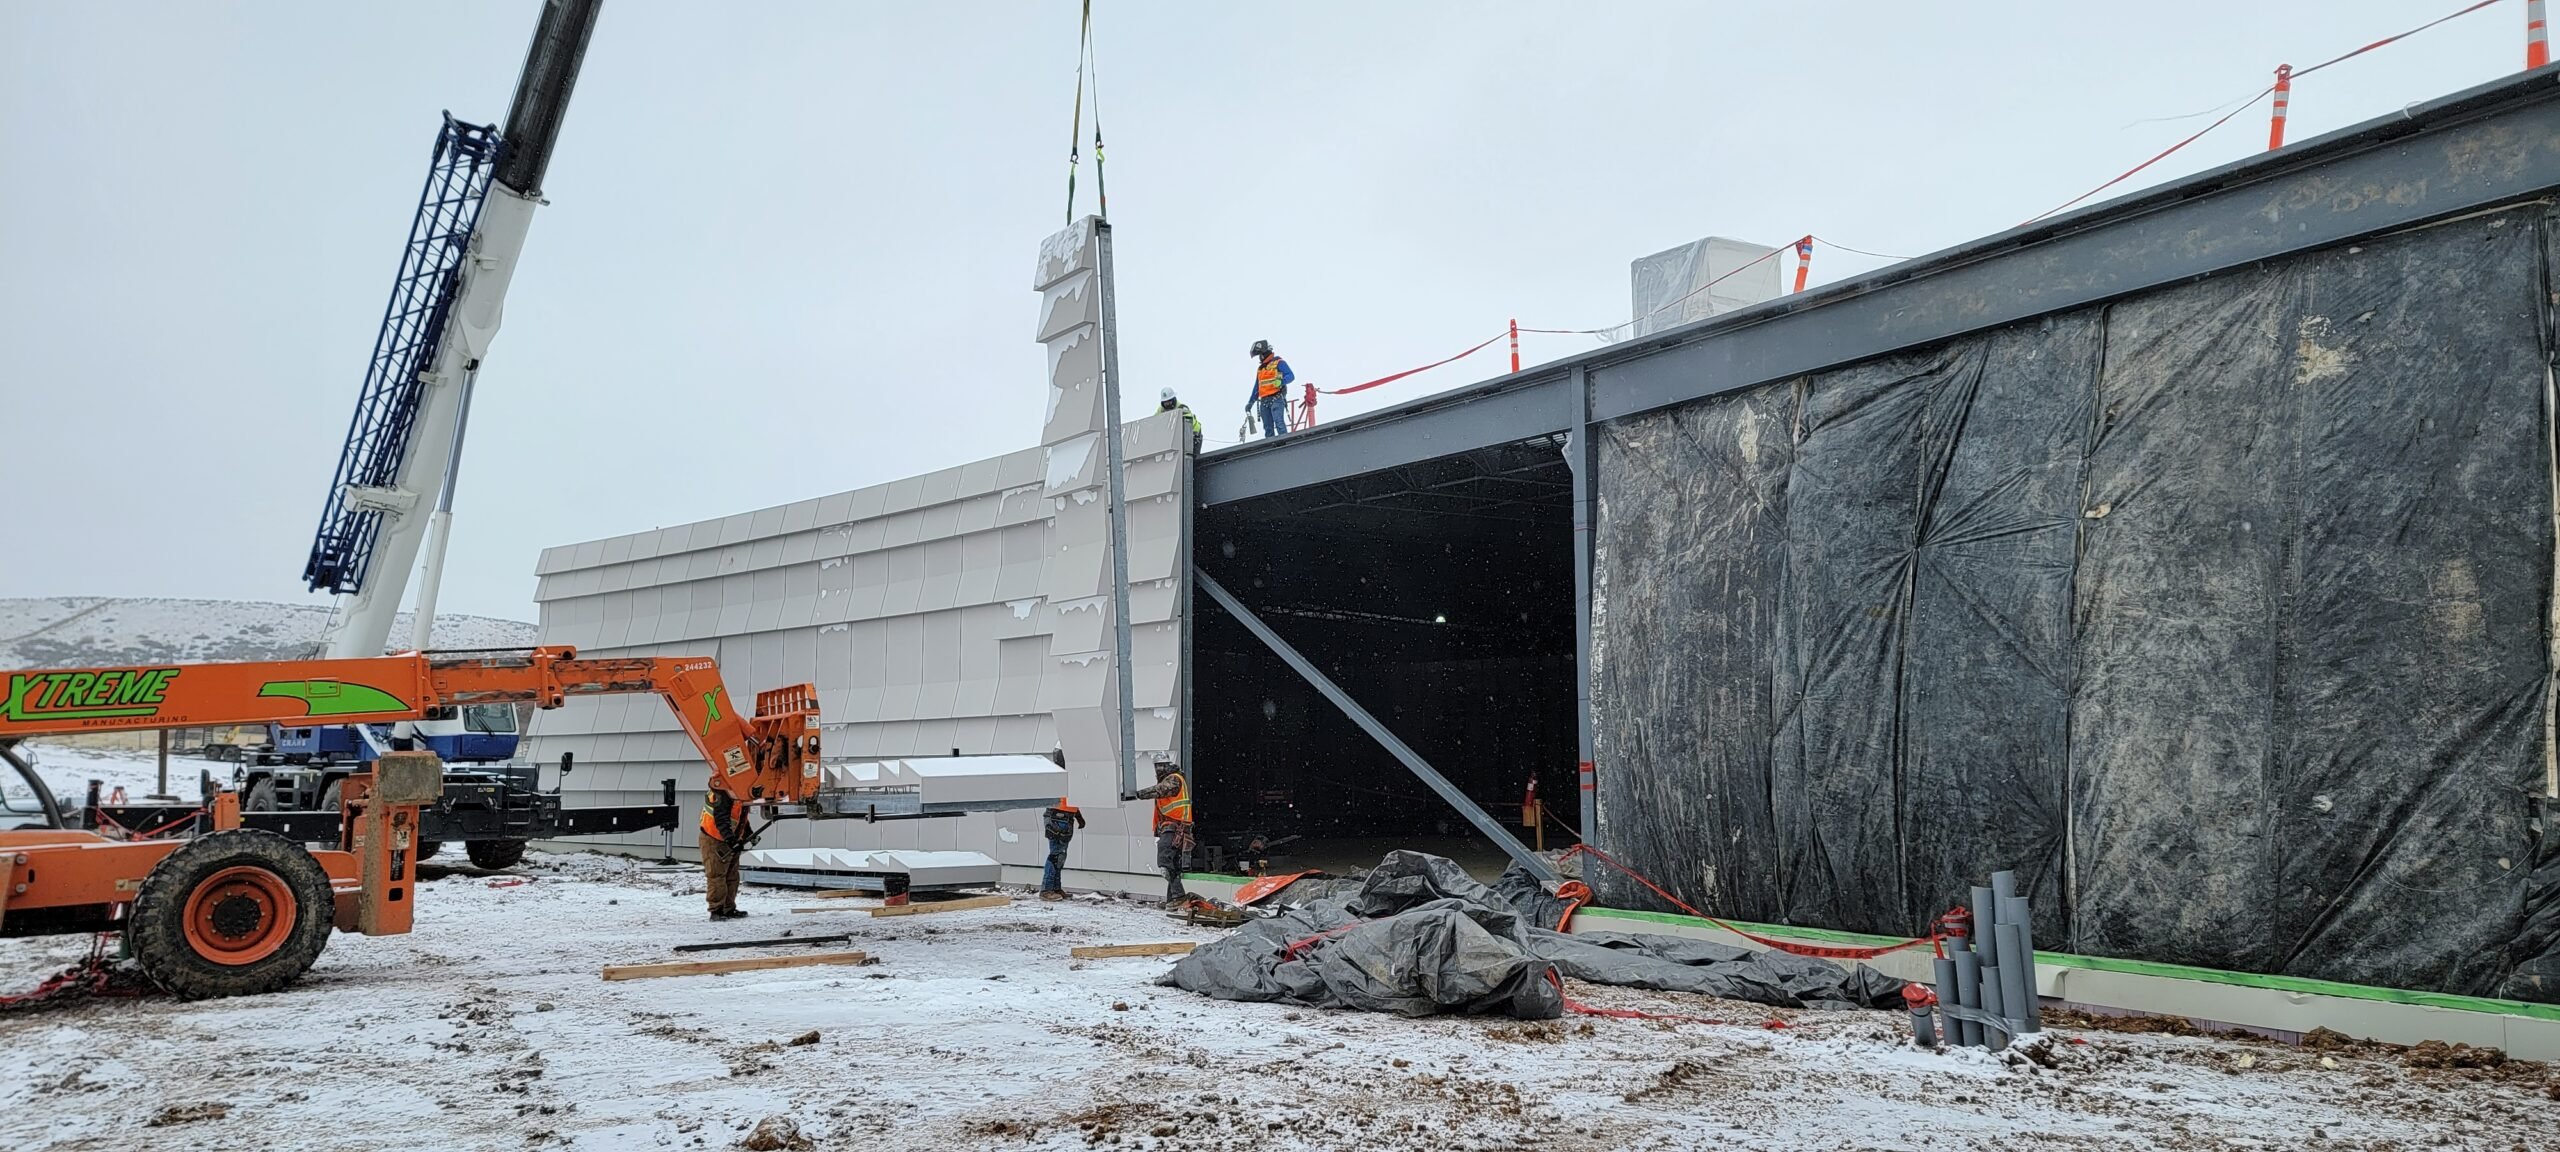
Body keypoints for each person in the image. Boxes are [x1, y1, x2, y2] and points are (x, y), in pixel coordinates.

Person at [1126, 759, 1192, 905]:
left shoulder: (1174, 779)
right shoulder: (1172, 778)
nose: (1158, 769)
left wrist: (1136, 794)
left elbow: (1160, 790)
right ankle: (1172, 900)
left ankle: (1179, 897)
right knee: (1171, 865)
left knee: (1165, 865)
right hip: (1173, 828)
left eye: (1160, 766)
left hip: (1174, 828)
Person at [699, 785, 753, 920]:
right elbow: (721, 818)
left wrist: (748, 833)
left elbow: (740, 817)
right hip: (715, 838)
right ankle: (716, 911)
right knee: (717, 876)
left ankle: (728, 908)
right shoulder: (723, 791)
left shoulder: (738, 790)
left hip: (731, 837)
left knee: (731, 876)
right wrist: (730, 839)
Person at [1246, 340, 1294, 440]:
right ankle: (1271, 448)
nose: (1260, 357)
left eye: (1260, 355)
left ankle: (1285, 444)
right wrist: (1250, 402)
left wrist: (1281, 381)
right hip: (1264, 401)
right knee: (1268, 428)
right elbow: (1257, 387)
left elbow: (1291, 376)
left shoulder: (1279, 363)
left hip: (1276, 398)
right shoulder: (1261, 369)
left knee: (1279, 423)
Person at [1039, 797, 1085, 902]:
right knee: (1056, 855)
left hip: (1064, 816)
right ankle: (1046, 890)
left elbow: (1071, 796)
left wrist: (1077, 815)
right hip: (1058, 816)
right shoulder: (1063, 781)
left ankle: (1055, 888)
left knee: (1060, 855)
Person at [1159, 386, 1202, 453]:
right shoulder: (1161, 410)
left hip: (1194, 434)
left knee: (1190, 456)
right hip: (1181, 435)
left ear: (1173, 400)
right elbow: (1155, 420)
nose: (1168, 405)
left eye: (1169, 402)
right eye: (1166, 403)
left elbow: (1187, 422)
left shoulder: (1182, 408)